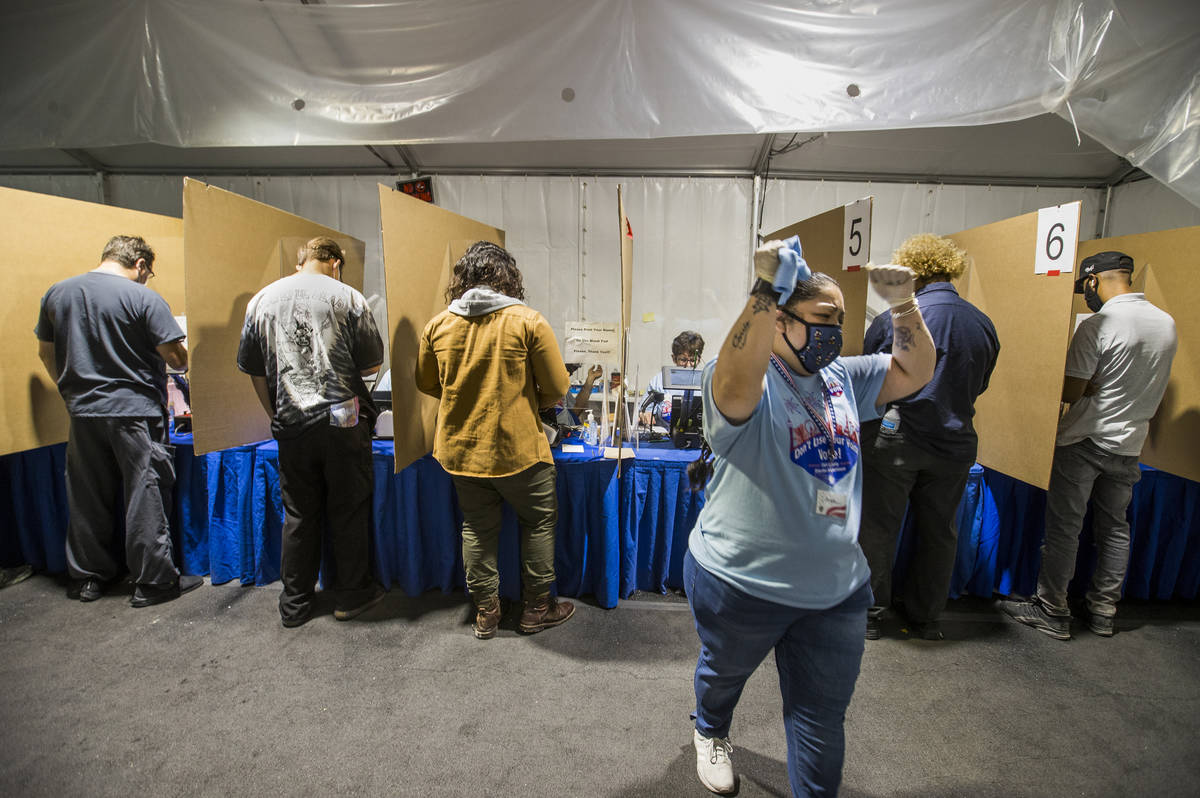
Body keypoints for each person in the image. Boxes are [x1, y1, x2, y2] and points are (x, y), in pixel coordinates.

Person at [685, 239, 935, 796]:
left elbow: (913, 371)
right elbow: (731, 385)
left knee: (821, 721)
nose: (835, 333)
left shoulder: (844, 377)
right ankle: (710, 728)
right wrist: (763, 290)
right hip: (743, 580)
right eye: (824, 319)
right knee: (723, 675)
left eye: (842, 321)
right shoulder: (750, 375)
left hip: (836, 589)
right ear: (780, 319)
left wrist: (902, 305)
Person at [1000, 250, 1176, 640]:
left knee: (1065, 527)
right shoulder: (1166, 323)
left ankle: (1052, 608)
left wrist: (1084, 381)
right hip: (1130, 442)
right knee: (1115, 528)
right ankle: (1103, 609)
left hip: (1084, 438)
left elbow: (1070, 390)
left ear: (1094, 281)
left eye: (1085, 288)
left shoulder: (1098, 325)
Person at [416, 241, 573, 639]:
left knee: (476, 528)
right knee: (537, 523)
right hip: (520, 450)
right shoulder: (528, 321)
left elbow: (426, 383)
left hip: (462, 452)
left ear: (463, 280)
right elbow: (557, 387)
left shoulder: (437, 325)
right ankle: (537, 609)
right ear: (508, 278)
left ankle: (486, 613)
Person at [35, 234, 202, 607]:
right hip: (136, 410)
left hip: (82, 409)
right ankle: (153, 582)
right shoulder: (143, 297)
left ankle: (88, 579)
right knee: (146, 493)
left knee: (87, 496)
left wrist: (71, 392)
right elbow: (177, 360)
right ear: (140, 265)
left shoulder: (57, 293)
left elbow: (46, 353)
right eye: (149, 272)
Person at [237, 236, 386, 628]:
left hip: (292, 422)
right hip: (342, 420)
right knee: (348, 509)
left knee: (299, 514)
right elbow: (372, 365)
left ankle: (295, 604)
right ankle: (352, 596)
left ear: (300, 261)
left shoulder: (261, 300)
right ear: (335, 262)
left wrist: (276, 412)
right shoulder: (350, 298)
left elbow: (253, 369)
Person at [858, 234, 1000, 641]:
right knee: (940, 532)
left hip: (897, 438)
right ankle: (925, 618)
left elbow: (871, 378)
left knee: (879, 527)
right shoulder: (981, 323)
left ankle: (870, 614)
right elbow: (981, 383)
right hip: (955, 444)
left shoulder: (899, 318)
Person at [640, 330, 705, 428]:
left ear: (699, 359)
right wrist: (645, 415)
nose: (688, 365)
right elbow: (644, 410)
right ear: (674, 358)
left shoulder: (706, 382)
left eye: (692, 360)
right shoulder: (659, 381)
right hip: (665, 438)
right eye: (683, 360)